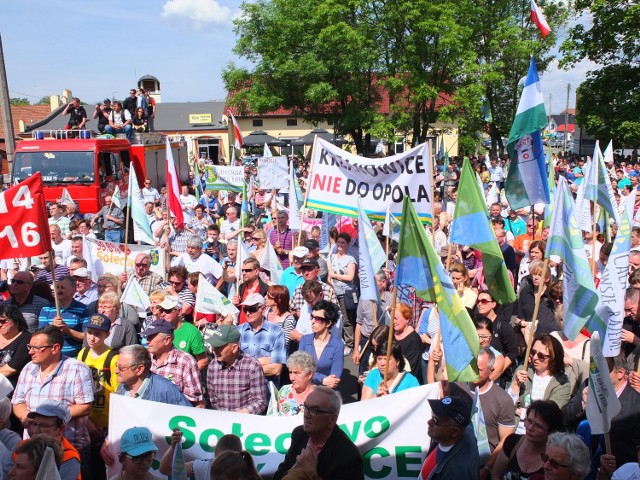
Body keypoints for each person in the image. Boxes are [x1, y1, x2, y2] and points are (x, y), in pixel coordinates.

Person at [12, 325, 94, 452]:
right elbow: (18, 402)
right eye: (30, 347)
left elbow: (84, 406)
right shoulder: (28, 368)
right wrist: (25, 417)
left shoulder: (77, 369)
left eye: (36, 348)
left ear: (55, 348)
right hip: (33, 448)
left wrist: (48, 419)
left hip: (68, 449)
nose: (30, 352)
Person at [273, 386, 364, 480]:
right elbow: (278, 476)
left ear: (332, 420)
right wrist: (297, 468)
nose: (306, 414)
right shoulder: (299, 434)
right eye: (305, 407)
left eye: (314, 410)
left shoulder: (349, 457)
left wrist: (311, 473)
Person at [77, 313, 118, 478]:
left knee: (102, 469)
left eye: (98, 334)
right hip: (87, 421)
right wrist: (88, 422)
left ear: (107, 334)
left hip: (105, 425)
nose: (92, 338)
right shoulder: (83, 354)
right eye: (90, 332)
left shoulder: (113, 358)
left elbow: (118, 394)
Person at [491, 400, 564, 480]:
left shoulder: (555, 459)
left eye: (538, 426)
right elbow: (496, 475)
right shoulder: (512, 442)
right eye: (529, 421)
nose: (530, 428)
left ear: (551, 431)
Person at [509, 334, 571, 424]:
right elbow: (507, 405)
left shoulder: (562, 383)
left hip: (540, 434)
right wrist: (515, 384)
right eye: (533, 352)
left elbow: (549, 415)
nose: (534, 358)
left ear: (553, 358)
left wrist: (521, 412)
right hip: (516, 427)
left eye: (541, 355)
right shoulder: (523, 370)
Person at [205, 324, 267, 413]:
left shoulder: (252, 365)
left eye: (219, 347)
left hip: (244, 422)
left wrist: (241, 413)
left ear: (234, 348)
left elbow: (260, 402)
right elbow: (212, 400)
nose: (214, 350)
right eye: (214, 346)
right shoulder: (212, 366)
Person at [142, 320, 204, 407]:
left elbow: (197, 403)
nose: (147, 341)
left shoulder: (185, 361)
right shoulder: (144, 359)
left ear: (167, 340)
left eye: (151, 337)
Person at [114, 345, 191, 406]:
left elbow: (187, 417)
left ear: (139, 369)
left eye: (121, 368)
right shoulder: (123, 386)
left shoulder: (166, 390)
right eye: (116, 365)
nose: (116, 371)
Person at [23, 400, 81, 480]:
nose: (35, 430)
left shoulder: (69, 457)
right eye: (34, 424)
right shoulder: (22, 446)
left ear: (61, 429)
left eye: (43, 426)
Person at [237, 293, 286, 383]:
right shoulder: (238, 331)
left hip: (266, 390)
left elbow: (276, 369)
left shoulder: (276, 332)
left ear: (263, 309)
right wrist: (266, 360)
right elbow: (234, 364)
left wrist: (246, 368)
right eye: (245, 309)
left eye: (252, 309)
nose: (248, 313)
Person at [38, 276, 87, 357]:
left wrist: (67, 330)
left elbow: (86, 337)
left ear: (73, 290)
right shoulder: (47, 309)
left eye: (62, 288)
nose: (58, 290)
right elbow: (40, 334)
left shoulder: (83, 309)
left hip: (74, 358)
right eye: (57, 287)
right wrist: (52, 327)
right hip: (50, 358)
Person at [298, 300, 343, 389]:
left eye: (318, 319)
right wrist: (322, 379)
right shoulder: (304, 340)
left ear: (328, 323)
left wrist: (311, 376)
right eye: (312, 317)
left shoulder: (338, 345)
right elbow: (299, 370)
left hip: (327, 392)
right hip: (305, 389)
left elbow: (335, 378)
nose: (313, 321)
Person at [157, 295, 208, 370]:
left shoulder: (191, 331)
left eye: (167, 310)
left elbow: (203, 361)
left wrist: (187, 375)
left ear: (179, 312)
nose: (162, 314)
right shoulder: (157, 328)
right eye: (161, 310)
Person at [328, 232, 358, 356]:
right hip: (334, 291)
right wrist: (331, 282)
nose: (340, 245)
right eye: (339, 242)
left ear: (348, 244)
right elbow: (329, 274)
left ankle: (349, 343)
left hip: (346, 292)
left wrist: (335, 276)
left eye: (343, 243)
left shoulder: (351, 259)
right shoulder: (332, 257)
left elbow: (350, 276)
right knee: (334, 317)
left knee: (347, 319)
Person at [273, 351, 316, 416]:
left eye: (296, 373)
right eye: (290, 372)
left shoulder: (320, 396)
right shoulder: (284, 391)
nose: (291, 378)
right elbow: (271, 417)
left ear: (310, 374)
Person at [0, 305, 32, 388]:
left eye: (3, 321)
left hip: (11, 387)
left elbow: (11, 369)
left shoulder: (27, 339)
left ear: (16, 320)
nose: (0, 324)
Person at [393, 302, 423, 384]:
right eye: (392, 318)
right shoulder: (390, 334)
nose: (393, 321)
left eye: (396, 318)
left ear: (407, 319)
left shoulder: (414, 339)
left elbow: (411, 367)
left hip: (406, 382)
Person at [233, 258, 269, 324]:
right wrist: (235, 304)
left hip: (257, 330)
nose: (243, 273)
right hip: (242, 328)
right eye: (242, 270)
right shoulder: (241, 287)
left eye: (247, 270)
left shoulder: (265, 289)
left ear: (256, 271)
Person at [265, 285, 296, 350]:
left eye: (268, 296)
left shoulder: (288, 319)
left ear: (278, 300)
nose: (265, 297)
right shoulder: (266, 313)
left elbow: (285, 342)